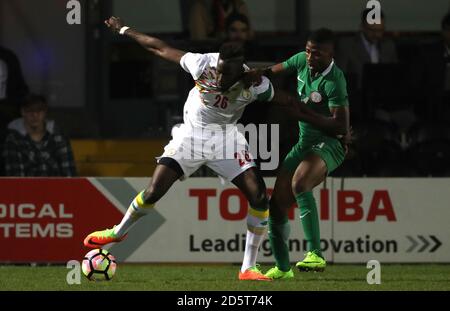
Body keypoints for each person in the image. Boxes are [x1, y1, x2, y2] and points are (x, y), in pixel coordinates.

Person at [84, 16, 275, 281]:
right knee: (153, 191)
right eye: (218, 69)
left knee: (259, 196)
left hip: (225, 139)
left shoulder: (255, 85)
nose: (219, 76)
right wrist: (125, 29)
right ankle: (118, 231)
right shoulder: (202, 63)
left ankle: (247, 268)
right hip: (191, 136)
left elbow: (282, 96)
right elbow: (160, 48)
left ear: (239, 70)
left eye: (225, 73)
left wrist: (266, 76)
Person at [256, 29, 351, 279]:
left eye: (316, 53)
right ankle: (283, 268)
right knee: (276, 206)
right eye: (308, 50)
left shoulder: (335, 80)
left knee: (300, 182)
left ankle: (316, 254)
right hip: (304, 144)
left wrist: (301, 115)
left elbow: (341, 126)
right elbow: (274, 70)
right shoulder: (301, 61)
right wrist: (257, 74)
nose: (310, 56)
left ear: (331, 54)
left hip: (330, 144)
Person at [2, 94, 77, 176]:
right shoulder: (14, 140)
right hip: (26, 188)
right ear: (23, 112)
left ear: (45, 112)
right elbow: (16, 178)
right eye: (30, 111)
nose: (35, 115)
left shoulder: (58, 137)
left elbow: (69, 174)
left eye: (39, 111)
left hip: (56, 188)